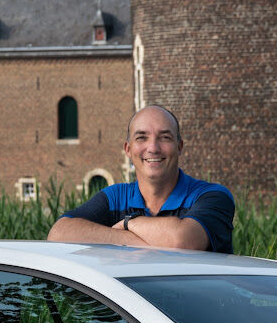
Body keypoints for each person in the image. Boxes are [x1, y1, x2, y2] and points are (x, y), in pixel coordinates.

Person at [47, 105, 234, 253]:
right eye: (142, 137)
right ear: (128, 149)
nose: (153, 148)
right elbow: (58, 234)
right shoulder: (115, 197)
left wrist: (129, 223)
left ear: (179, 147)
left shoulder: (212, 196)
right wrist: (129, 239)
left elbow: (182, 242)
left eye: (165, 137)